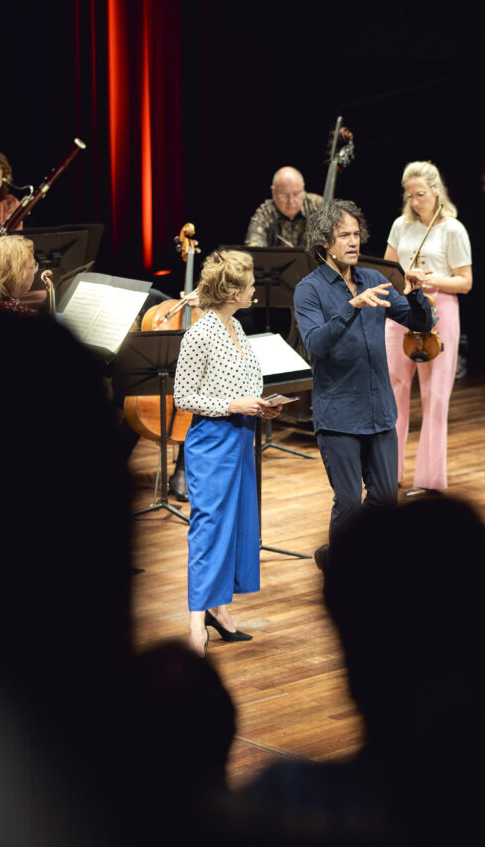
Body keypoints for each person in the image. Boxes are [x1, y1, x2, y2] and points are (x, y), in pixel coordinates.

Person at [293, 199, 432, 566]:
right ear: (325, 241)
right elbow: (315, 346)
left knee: (386, 499)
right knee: (350, 500)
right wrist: (351, 307)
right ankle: (343, 569)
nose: (353, 242)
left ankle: (342, 553)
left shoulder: (374, 279)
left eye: (356, 234)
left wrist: (416, 294)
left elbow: (419, 324)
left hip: (379, 409)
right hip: (338, 412)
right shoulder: (309, 290)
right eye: (344, 236)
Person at [173, 250, 282, 655]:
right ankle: (196, 623)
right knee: (209, 527)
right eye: (250, 284)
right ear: (234, 291)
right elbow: (183, 396)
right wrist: (233, 405)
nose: (256, 288)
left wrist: (261, 402)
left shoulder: (234, 324)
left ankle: (218, 609)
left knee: (236, 524)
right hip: (214, 441)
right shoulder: (199, 333)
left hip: (241, 437)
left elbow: (242, 383)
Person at [383, 161, 472, 492]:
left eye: (420, 194)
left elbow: (465, 282)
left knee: (435, 396)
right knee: (393, 390)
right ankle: (387, 473)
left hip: (438, 310)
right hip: (403, 308)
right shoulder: (400, 225)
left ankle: (431, 479)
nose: (415, 201)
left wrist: (431, 278)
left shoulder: (453, 229)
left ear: (437, 191)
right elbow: (389, 268)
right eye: (409, 195)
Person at [244, 166, 322, 249]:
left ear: (303, 189)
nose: (291, 201)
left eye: (296, 194)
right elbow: (255, 249)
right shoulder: (265, 214)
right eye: (284, 195)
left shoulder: (318, 206)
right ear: (273, 192)